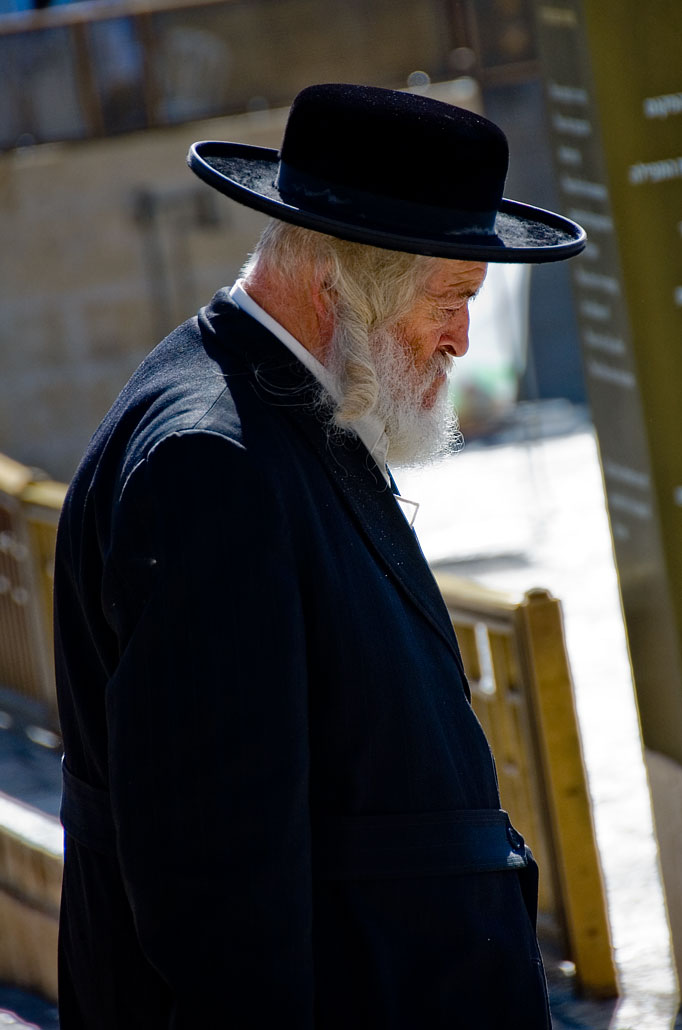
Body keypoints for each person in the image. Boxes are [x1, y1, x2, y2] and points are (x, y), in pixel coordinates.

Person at [54, 83, 585, 1029]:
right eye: (452, 299)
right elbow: (217, 897)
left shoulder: (288, 400)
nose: (463, 340)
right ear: (339, 281)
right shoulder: (210, 464)